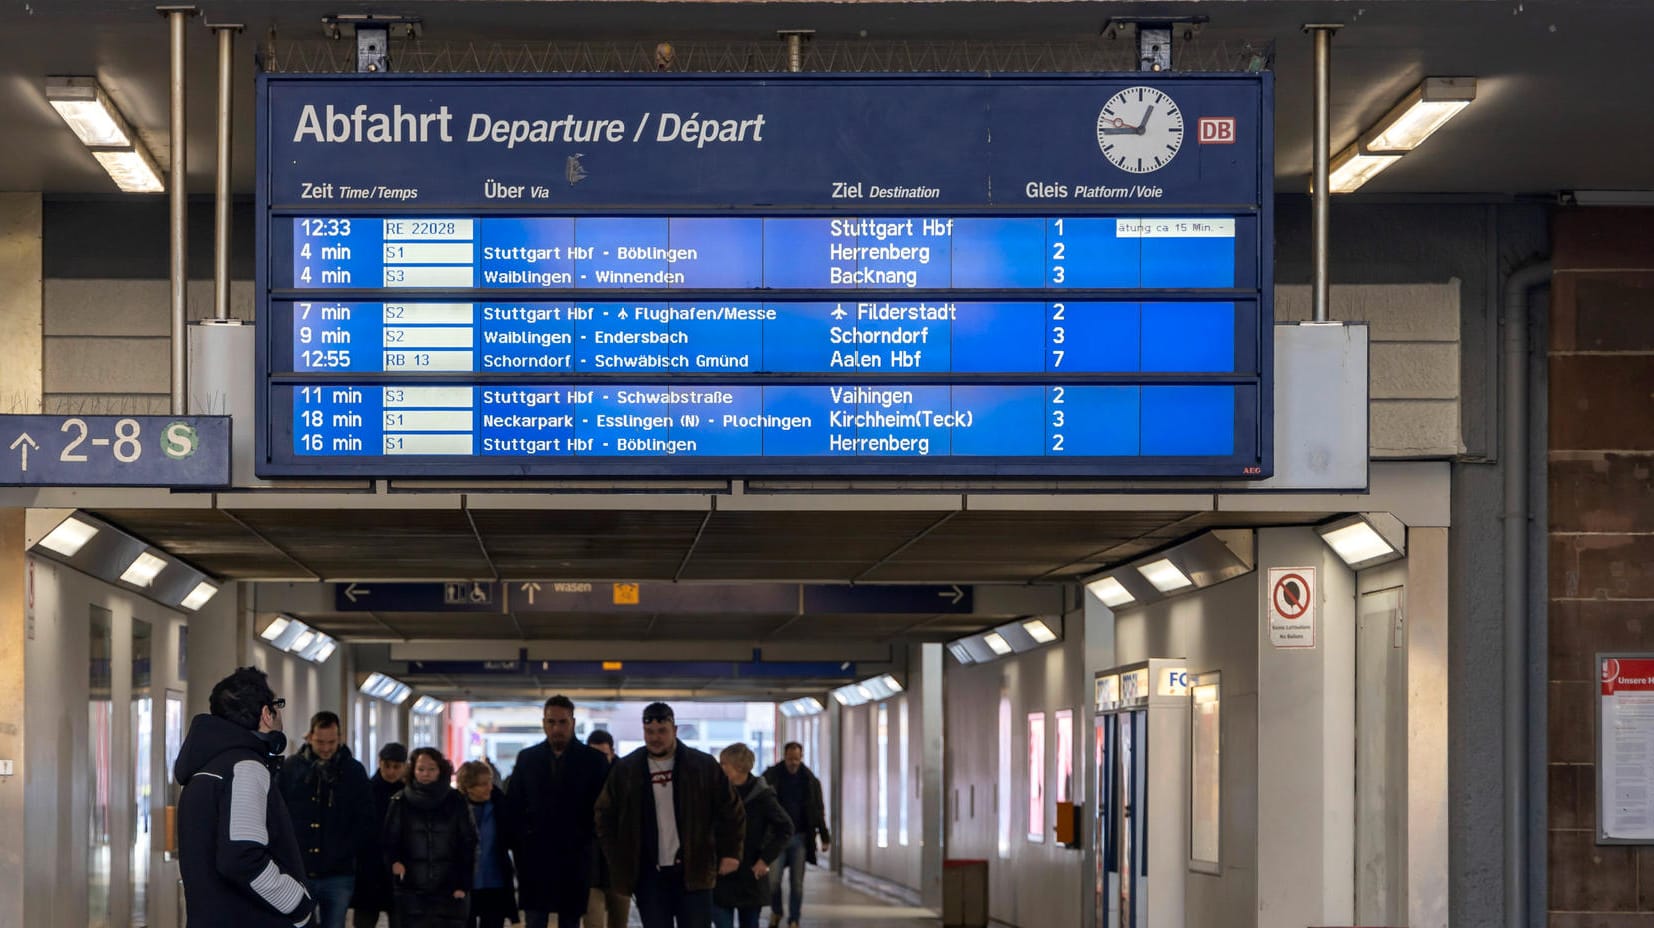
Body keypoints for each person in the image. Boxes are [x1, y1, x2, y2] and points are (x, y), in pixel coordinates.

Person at [174, 666, 316, 926]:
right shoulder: (246, 768)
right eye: (278, 705)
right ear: (266, 713)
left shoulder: (204, 769)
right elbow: (241, 857)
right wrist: (299, 905)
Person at [595, 702, 745, 928]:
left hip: (695, 871)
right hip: (649, 877)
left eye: (662, 731)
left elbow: (732, 810)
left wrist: (731, 852)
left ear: (674, 730)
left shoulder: (702, 766)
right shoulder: (627, 770)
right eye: (649, 732)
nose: (655, 738)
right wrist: (617, 858)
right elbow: (604, 815)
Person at [502, 695, 611, 928]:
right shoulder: (528, 759)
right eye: (551, 722)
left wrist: (587, 840)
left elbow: (603, 809)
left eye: (562, 722)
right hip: (535, 856)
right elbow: (515, 805)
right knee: (535, 918)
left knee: (570, 920)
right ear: (544, 723)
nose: (556, 728)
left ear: (572, 722)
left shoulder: (594, 761)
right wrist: (522, 841)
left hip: (575, 856)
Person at [278, 711, 375, 928]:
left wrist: (347, 849)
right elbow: (278, 814)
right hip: (299, 869)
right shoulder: (291, 769)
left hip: (338, 872)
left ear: (340, 738)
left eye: (331, 742)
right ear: (309, 737)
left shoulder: (353, 772)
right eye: (320, 742)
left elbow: (366, 819)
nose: (326, 748)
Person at [383, 747, 477, 928]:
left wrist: (463, 883)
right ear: (413, 771)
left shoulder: (456, 801)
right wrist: (394, 862)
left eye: (431, 769)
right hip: (411, 887)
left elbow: (468, 842)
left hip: (449, 888)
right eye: (421, 769)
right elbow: (390, 839)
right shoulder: (400, 802)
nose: (426, 774)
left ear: (440, 770)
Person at [713, 744, 793, 928]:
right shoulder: (717, 793)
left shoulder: (762, 797)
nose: (720, 768)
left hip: (750, 875)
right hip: (721, 874)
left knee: (750, 923)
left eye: (724, 764)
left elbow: (786, 827)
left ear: (739, 767)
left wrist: (765, 860)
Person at [761, 744, 832, 928]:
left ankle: (794, 919)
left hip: (800, 838)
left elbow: (818, 810)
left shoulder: (809, 781)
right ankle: (777, 912)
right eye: (790, 758)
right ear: (784, 756)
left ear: (801, 757)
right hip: (776, 838)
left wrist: (824, 836)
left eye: (797, 759)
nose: (793, 763)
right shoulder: (771, 777)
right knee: (773, 881)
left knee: (797, 883)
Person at [458, 761, 518, 928]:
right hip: (466, 884)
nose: (489, 788)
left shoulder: (500, 806)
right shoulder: (456, 810)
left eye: (490, 782)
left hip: (495, 883)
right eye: (483, 784)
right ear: (468, 786)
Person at [354, 743, 409, 928]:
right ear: (380, 763)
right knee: (365, 919)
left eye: (396, 766)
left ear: (404, 766)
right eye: (387, 766)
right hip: (371, 867)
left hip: (398, 869)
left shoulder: (408, 795)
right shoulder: (367, 791)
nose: (391, 771)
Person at [585, 730, 631, 928]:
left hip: (619, 866)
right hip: (589, 866)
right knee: (593, 922)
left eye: (602, 755)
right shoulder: (580, 779)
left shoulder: (626, 777)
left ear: (612, 752)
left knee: (619, 922)